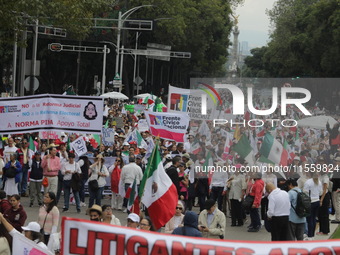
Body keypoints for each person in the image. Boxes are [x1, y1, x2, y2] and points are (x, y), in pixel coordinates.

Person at [303, 173, 322, 240]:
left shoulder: (308, 182)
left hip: (310, 202)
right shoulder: (319, 182)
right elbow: (320, 192)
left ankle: (310, 235)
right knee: (313, 219)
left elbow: (305, 192)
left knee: (309, 219)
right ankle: (312, 235)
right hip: (317, 201)